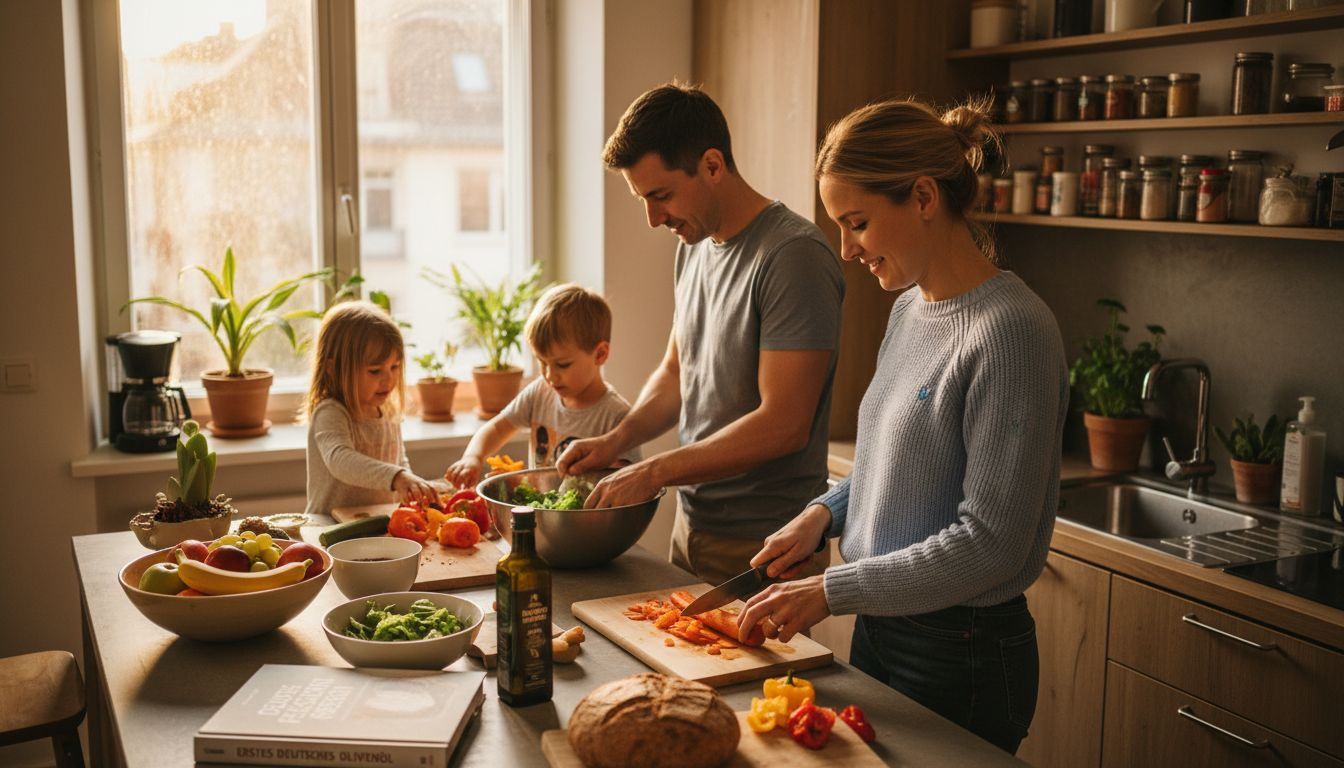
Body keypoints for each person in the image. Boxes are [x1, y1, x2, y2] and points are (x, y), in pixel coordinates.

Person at [736, 97, 1069, 754]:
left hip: (963, 650)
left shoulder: (1013, 333)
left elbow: (991, 545)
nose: (846, 248)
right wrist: (823, 515)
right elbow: (893, 465)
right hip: (882, 626)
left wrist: (834, 589)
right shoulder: (911, 311)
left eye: (856, 222)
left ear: (922, 197)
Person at [557, 82, 846, 585]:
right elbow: (676, 373)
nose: (653, 218)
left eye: (661, 195)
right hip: (692, 525)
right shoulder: (693, 244)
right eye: (643, 199)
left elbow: (784, 423)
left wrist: (653, 471)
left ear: (713, 166)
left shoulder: (792, 255)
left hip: (766, 542)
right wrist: (615, 440)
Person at [445, 284, 639, 490]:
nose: (549, 375)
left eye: (562, 365)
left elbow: (624, 481)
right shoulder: (540, 392)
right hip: (541, 518)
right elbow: (496, 428)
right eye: (542, 362)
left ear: (600, 354)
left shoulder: (617, 416)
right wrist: (473, 457)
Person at [304, 300, 443, 518]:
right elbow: (340, 460)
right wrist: (397, 477)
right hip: (328, 527)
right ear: (334, 368)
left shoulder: (387, 411)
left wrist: (411, 486)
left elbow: (398, 461)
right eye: (375, 370)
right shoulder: (330, 412)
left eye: (394, 367)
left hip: (375, 526)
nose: (388, 379)